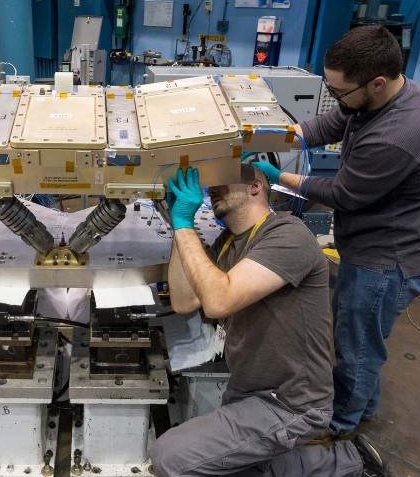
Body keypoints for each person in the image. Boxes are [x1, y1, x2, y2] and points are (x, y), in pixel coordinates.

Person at [253, 25, 420, 438]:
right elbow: (328, 123)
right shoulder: (379, 97)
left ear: (376, 82)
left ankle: (341, 423)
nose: (337, 97)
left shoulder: (400, 134)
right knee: (363, 341)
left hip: (386, 260)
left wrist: (277, 177)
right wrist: (266, 137)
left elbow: (344, 193)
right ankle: (363, 408)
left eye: (341, 90)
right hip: (370, 246)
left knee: (356, 348)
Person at [150, 165, 384, 476]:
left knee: (170, 457)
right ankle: (347, 460)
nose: (210, 189)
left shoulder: (289, 234)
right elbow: (183, 301)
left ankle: (346, 463)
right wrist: (176, 222)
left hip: (291, 402)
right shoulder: (227, 245)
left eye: (220, 180)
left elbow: (219, 300)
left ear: (256, 186)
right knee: (228, 465)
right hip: (248, 390)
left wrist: (183, 226)